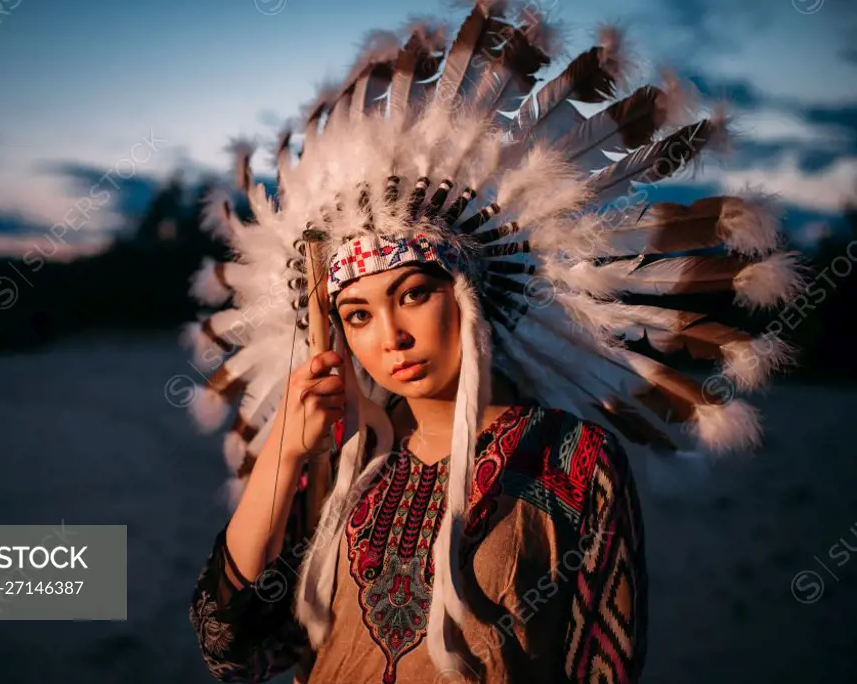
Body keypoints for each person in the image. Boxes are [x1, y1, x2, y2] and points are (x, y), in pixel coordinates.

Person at [184, 3, 802, 682]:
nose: (390, 336)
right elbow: (233, 650)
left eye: (414, 294)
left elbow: (603, 668)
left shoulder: (572, 459)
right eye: (356, 314)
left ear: (469, 292)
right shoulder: (340, 469)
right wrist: (286, 450)